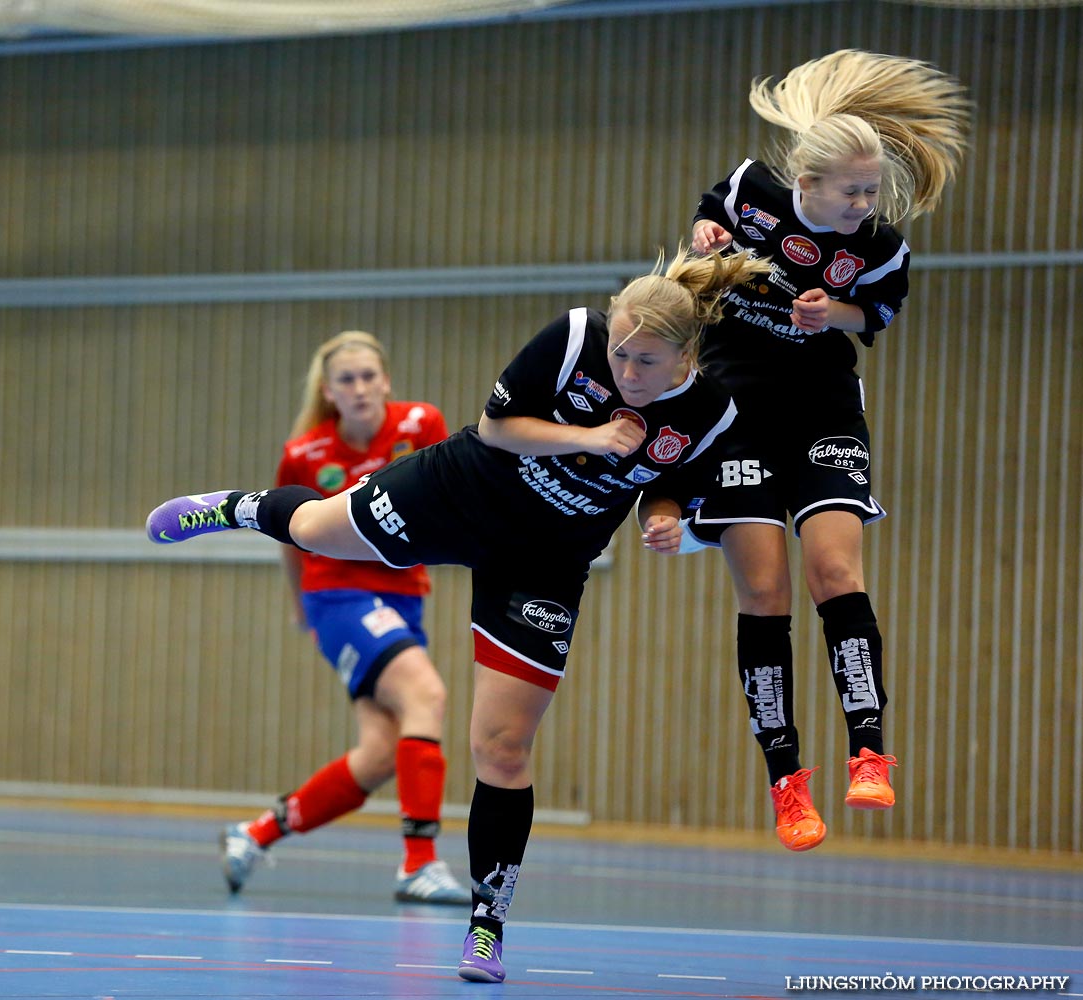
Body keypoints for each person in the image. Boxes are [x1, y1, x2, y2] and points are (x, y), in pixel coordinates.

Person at [148, 246, 772, 983]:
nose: (628, 373)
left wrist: (663, 520)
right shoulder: (573, 338)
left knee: (502, 748)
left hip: (544, 562)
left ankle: (487, 926)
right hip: (463, 492)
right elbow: (500, 426)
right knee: (317, 528)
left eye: (646, 362)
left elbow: (670, 486)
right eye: (621, 354)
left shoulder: (710, 410)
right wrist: (589, 436)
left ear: (685, 355)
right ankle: (231, 507)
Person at [684, 49, 970, 852]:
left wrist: (833, 315)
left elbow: (877, 315)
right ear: (805, 184)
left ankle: (870, 751)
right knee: (765, 595)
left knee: (835, 573)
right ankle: (786, 783)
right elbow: (709, 215)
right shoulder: (752, 191)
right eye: (851, 191)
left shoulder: (879, 246)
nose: (864, 203)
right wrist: (707, 233)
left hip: (823, 410)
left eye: (872, 191)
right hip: (736, 410)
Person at [215, 329, 469, 906]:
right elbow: (287, 537)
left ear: (385, 381)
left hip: (403, 596)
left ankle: (255, 833)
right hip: (337, 596)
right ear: (329, 392)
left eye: (367, 377)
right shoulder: (304, 454)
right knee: (426, 695)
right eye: (346, 380)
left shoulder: (419, 426)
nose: (359, 389)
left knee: (381, 752)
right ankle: (419, 863)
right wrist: (299, 606)